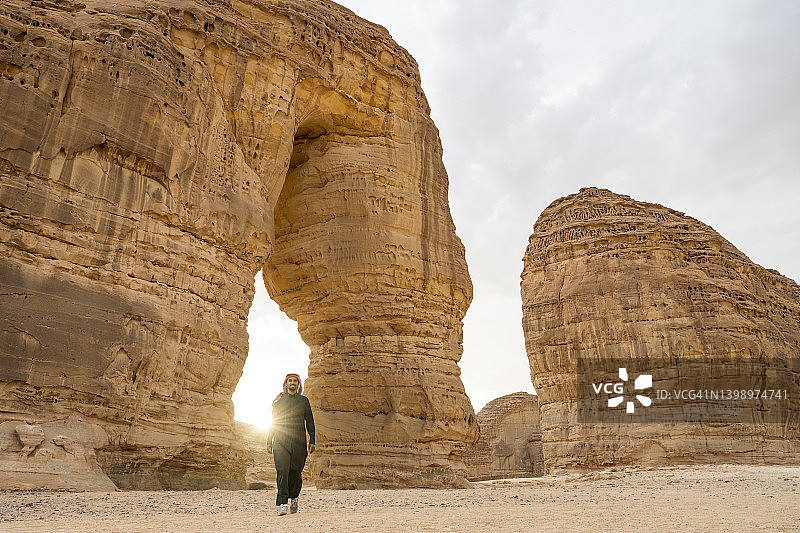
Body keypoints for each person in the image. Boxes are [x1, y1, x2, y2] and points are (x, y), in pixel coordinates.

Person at [266, 373, 315, 516]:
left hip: (299, 442)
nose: (292, 383)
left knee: (295, 471)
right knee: (282, 470)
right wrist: (269, 440)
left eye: (295, 381)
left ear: (298, 384)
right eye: (290, 381)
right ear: (286, 384)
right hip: (280, 441)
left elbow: (310, 421)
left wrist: (312, 440)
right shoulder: (279, 401)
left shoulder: (304, 401)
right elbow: (274, 421)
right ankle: (282, 503)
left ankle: (294, 497)